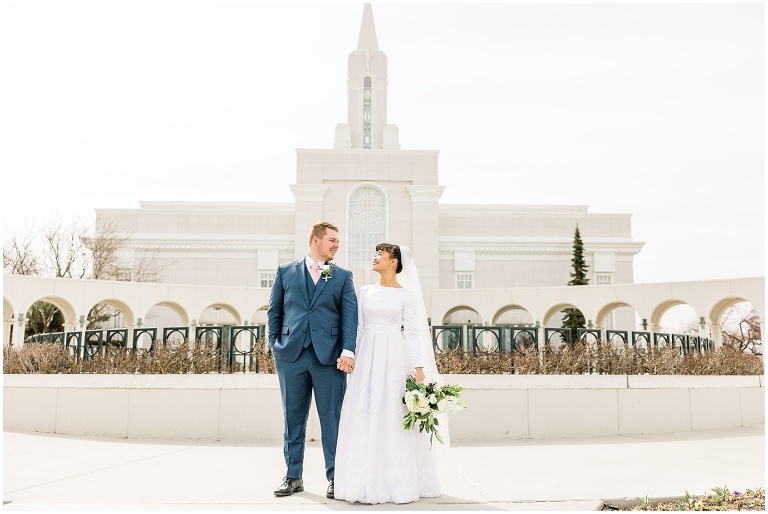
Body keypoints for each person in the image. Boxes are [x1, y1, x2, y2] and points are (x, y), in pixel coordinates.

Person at [333, 243, 444, 505]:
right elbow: (357, 327)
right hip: (368, 356)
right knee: (366, 410)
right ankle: (363, 480)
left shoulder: (405, 295)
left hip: (395, 355)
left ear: (393, 262)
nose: (374, 258)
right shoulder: (364, 291)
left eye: (380, 254)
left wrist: (419, 368)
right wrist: (352, 355)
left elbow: (413, 333)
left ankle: (397, 481)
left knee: (393, 414)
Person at [267, 221, 358, 499]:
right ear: (315, 240)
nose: (336, 245)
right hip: (291, 356)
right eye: (332, 240)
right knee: (292, 418)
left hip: (330, 359)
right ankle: (293, 476)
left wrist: (348, 351)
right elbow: (274, 312)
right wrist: (276, 346)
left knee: (332, 420)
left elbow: (349, 317)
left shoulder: (342, 276)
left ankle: (335, 477)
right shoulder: (285, 271)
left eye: (338, 241)